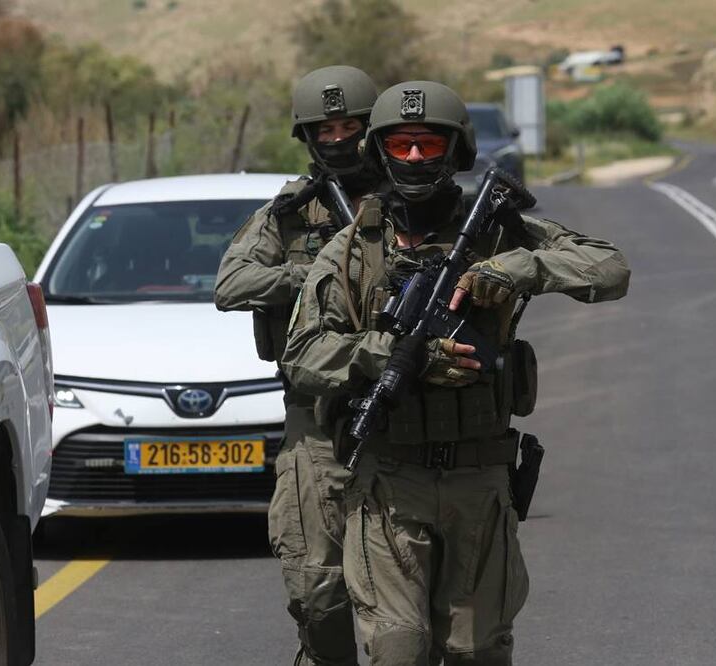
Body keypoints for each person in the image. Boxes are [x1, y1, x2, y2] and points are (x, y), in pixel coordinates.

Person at [281, 81, 631, 665]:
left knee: (477, 650)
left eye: (427, 142)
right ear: (379, 151)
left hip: (478, 479)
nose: (414, 156)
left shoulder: (495, 231)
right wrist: (386, 354)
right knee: (398, 648)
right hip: (390, 479)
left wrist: (521, 267)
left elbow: (609, 267)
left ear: (456, 150)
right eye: (400, 144)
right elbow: (303, 354)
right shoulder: (350, 249)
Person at [215, 65, 381, 666]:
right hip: (316, 423)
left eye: (350, 126)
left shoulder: (410, 202)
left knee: (410, 610)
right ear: (307, 138)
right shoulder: (291, 212)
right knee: (316, 593)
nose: (338, 139)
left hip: (404, 418)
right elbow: (231, 284)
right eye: (325, 129)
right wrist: (314, 273)